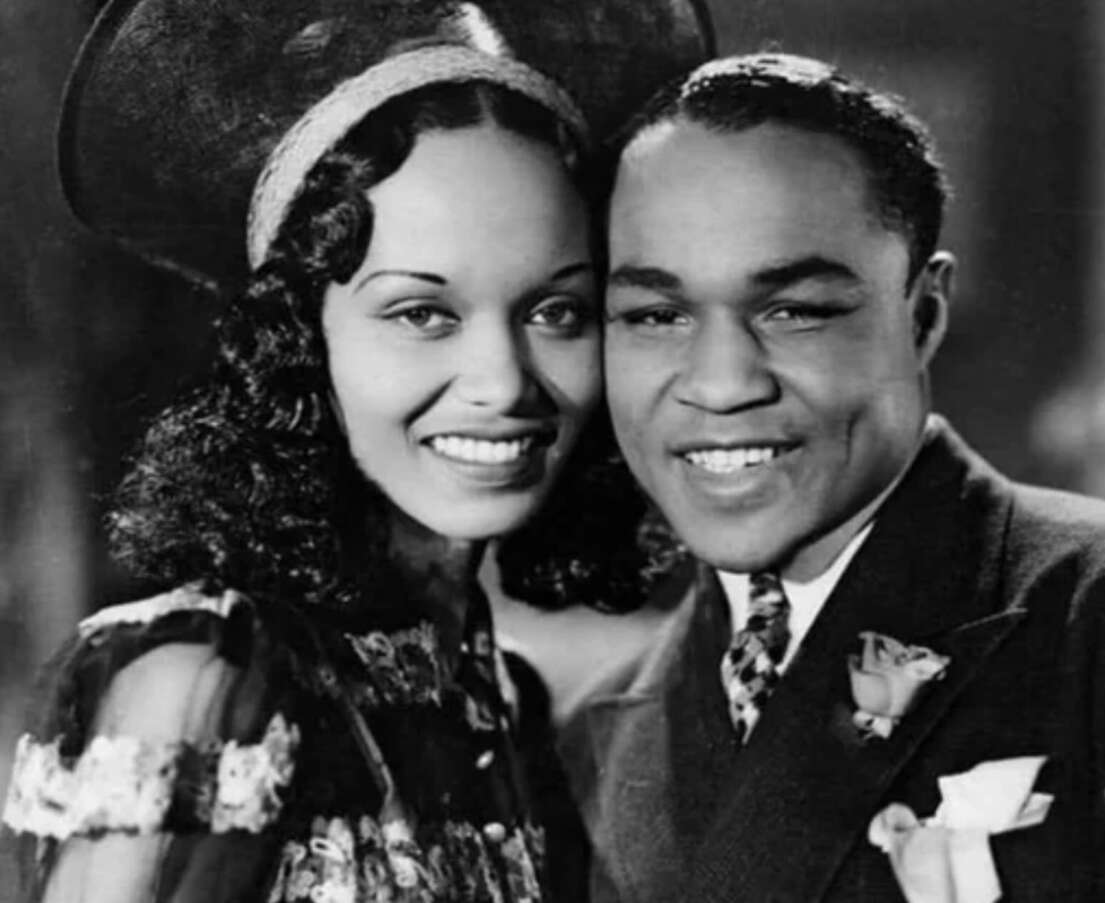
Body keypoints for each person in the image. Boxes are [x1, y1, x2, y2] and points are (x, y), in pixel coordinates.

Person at [0, 0, 710, 900]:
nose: (503, 381)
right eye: (422, 313)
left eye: (554, 310)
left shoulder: (500, 702)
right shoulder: (200, 676)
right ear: (299, 341)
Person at [554, 53, 1105, 902]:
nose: (721, 383)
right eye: (656, 315)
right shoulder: (587, 738)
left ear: (923, 314)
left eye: (796, 311)